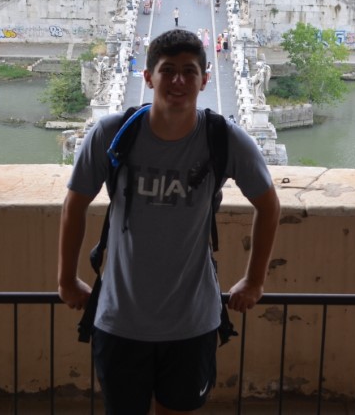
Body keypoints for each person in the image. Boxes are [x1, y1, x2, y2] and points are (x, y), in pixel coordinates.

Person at [58, 29, 280, 415]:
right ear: (148, 77)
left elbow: (269, 205)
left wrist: (255, 280)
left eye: (189, 71)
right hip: (120, 319)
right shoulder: (111, 134)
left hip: (192, 322)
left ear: (204, 79)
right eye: (168, 70)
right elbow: (73, 205)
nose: (178, 80)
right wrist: (65, 280)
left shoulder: (224, 139)